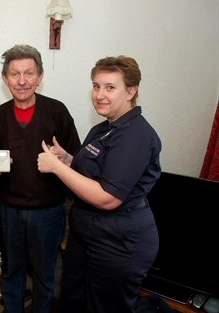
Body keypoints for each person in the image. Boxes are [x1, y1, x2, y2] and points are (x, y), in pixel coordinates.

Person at [37, 55, 162, 313]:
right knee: (74, 300)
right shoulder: (103, 128)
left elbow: (108, 197)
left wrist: (56, 167)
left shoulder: (135, 135)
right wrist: (68, 160)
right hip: (87, 232)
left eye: (110, 87)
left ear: (132, 91)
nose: (100, 94)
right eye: (96, 86)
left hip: (119, 239)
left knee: (104, 307)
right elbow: (94, 174)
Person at [0, 44, 81, 312]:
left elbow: (77, 159)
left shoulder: (57, 111)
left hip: (48, 210)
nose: (22, 80)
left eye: (29, 73)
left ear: (40, 76)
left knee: (45, 273)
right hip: (7, 209)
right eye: (15, 74)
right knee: (12, 272)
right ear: (5, 79)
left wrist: (64, 159)